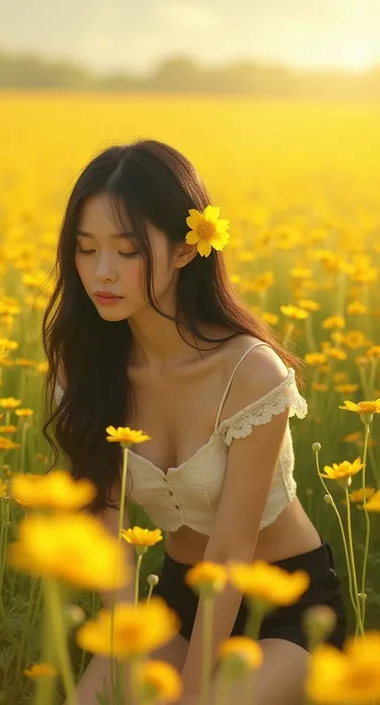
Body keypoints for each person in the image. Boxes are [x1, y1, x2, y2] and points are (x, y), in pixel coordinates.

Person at [43, 138, 347, 705]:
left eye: (128, 252)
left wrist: (188, 694)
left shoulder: (250, 374)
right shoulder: (84, 363)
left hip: (282, 609)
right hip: (174, 600)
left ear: (185, 250)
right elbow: (106, 527)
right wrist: (132, 639)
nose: (102, 273)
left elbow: (231, 557)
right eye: (85, 250)